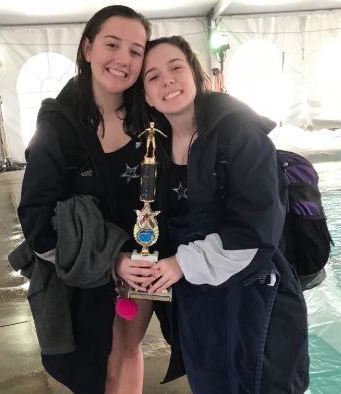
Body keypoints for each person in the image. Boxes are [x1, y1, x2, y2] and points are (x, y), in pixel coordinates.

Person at [140, 36, 310, 394]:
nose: (167, 80)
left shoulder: (242, 136)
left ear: (196, 75)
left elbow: (255, 233)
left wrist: (180, 264)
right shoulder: (157, 150)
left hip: (252, 294)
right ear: (146, 95)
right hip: (196, 304)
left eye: (175, 67)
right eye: (153, 76)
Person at [17, 6, 159, 394]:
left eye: (136, 50)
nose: (123, 59)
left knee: (131, 350)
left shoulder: (150, 118)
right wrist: (111, 260)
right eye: (112, 44)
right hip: (90, 273)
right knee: (102, 366)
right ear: (87, 48)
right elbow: (35, 216)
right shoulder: (58, 128)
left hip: (144, 265)